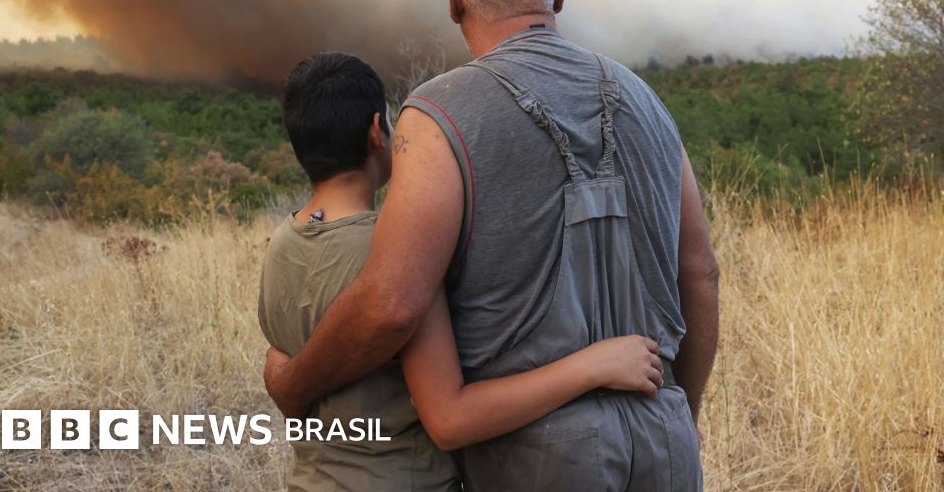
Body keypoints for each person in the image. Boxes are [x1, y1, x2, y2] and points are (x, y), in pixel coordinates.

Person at [265, 0, 721, 489]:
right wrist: (682, 416)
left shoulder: (438, 114)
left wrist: (293, 385)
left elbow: (393, 305)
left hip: (535, 456)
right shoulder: (648, 100)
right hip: (666, 437)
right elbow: (700, 273)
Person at [259, 51, 673, 492]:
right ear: (378, 132)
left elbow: (287, 366)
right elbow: (451, 419)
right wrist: (594, 366)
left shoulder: (280, 246)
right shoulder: (397, 255)